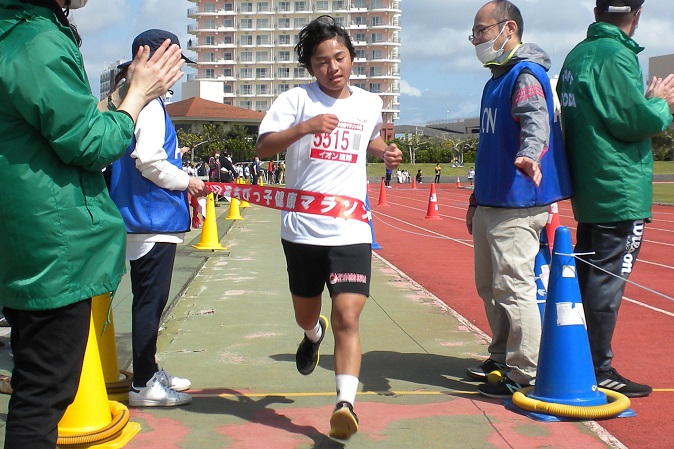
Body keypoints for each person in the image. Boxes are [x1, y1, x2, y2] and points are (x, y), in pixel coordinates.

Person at [0, 0, 184, 446]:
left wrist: (124, 95)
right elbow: (92, 143)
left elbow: (66, 120)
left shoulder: (18, 33)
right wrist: (138, 95)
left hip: (27, 237)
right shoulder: (38, 41)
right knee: (44, 393)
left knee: (35, 383)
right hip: (52, 244)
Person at [255, 15, 402, 440]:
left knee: (348, 315)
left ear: (352, 57)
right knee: (309, 312)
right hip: (301, 230)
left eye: (340, 57)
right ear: (311, 68)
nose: (332, 67)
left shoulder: (369, 104)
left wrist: (384, 153)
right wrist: (305, 127)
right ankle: (310, 333)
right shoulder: (296, 100)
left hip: (350, 228)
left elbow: (367, 141)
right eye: (322, 62)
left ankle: (345, 404)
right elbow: (263, 147)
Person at [556, 0, 674, 397]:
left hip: (590, 186)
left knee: (590, 277)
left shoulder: (577, 55)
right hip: (619, 187)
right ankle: (597, 366)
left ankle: (577, 357)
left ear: (596, 12)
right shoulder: (617, 56)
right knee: (606, 282)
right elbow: (632, 121)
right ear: (637, 16)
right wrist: (659, 103)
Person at [465, 0, 572, 398]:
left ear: (508, 29)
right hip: (492, 201)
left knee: (513, 286)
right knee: (489, 285)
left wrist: (529, 152)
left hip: (518, 202)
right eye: (474, 32)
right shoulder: (496, 78)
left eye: (482, 30)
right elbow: (488, 149)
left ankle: (525, 369)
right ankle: (501, 354)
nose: (476, 39)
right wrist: (476, 198)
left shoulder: (524, 74)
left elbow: (535, 118)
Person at [107, 29, 211, 407]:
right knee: (150, 303)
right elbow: (149, 161)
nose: (179, 71)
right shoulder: (149, 105)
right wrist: (188, 181)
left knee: (148, 301)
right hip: (151, 217)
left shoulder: (136, 102)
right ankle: (144, 384)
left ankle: (147, 370)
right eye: (175, 62)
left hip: (144, 217)